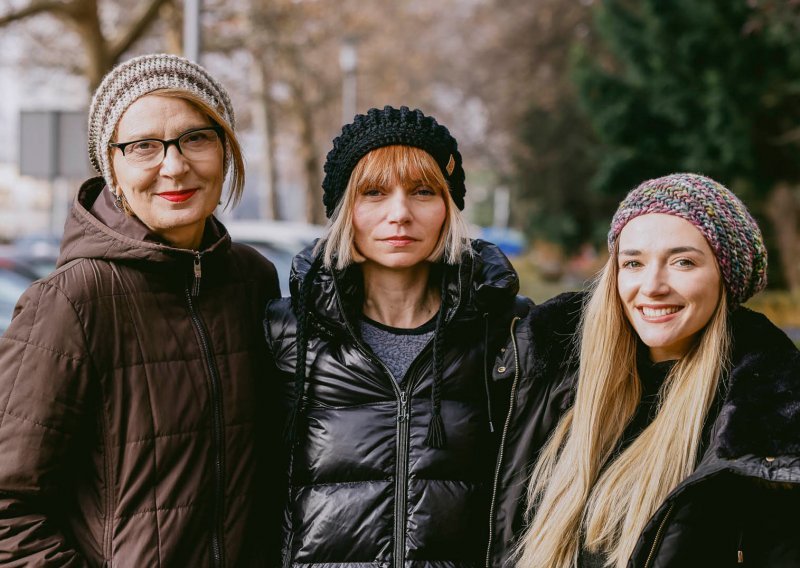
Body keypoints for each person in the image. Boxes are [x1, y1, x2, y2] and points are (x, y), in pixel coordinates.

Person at [0, 54, 282, 566]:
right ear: (112, 167)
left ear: (226, 149)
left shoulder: (252, 280)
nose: (174, 166)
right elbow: (7, 510)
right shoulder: (72, 301)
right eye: (143, 146)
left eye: (196, 137)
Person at [486, 173, 800, 567]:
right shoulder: (551, 387)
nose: (652, 285)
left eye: (683, 262)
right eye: (633, 262)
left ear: (725, 279)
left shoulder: (759, 427)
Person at [264, 105, 528, 566]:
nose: (400, 214)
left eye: (423, 191)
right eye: (374, 193)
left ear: (448, 207)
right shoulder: (287, 333)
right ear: (346, 209)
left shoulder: (505, 331)